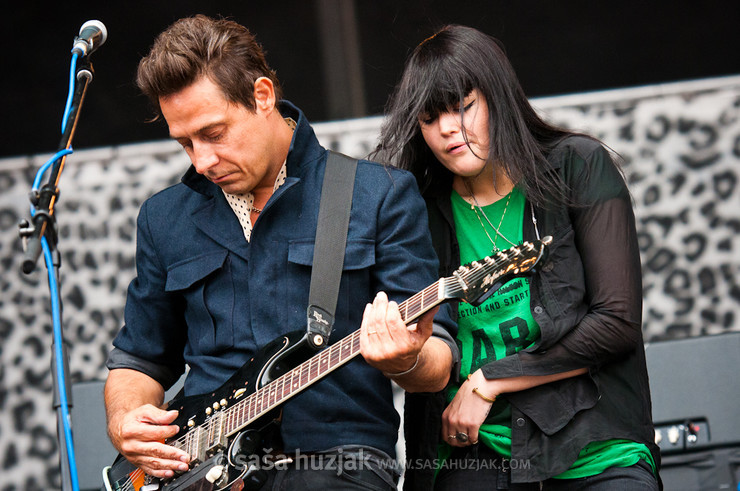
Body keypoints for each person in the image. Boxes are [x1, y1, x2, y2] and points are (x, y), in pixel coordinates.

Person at [103, 15, 457, 490]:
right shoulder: (164, 218)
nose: (201, 160)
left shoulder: (376, 194)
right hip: (199, 471)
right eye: (185, 143)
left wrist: (405, 359)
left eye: (213, 133)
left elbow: (437, 361)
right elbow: (140, 359)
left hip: (337, 464)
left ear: (262, 96)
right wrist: (125, 419)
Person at [374, 25, 660, 490]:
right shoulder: (414, 211)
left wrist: (490, 379)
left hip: (592, 443)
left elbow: (617, 322)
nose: (448, 128)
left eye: (463, 107)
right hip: (472, 451)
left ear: (498, 98)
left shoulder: (578, 166)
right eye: (430, 119)